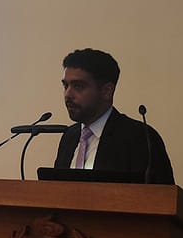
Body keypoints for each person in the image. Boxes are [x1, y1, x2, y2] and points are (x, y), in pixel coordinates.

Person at [52, 48, 175, 184]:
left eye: (78, 86)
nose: (68, 94)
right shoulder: (69, 137)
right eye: (66, 86)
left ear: (107, 91)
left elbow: (162, 194)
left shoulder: (140, 138)